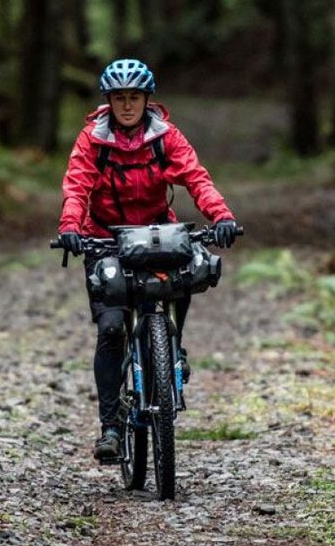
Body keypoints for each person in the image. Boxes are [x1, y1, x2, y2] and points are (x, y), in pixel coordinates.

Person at [58, 57, 239, 463]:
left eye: (134, 98)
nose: (127, 106)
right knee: (110, 329)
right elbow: (76, 185)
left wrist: (221, 216)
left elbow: (196, 178)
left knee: (186, 269)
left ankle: (174, 346)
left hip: (158, 233)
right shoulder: (92, 139)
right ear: (108, 101)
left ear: (146, 100)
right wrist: (71, 225)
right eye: (119, 98)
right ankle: (109, 426)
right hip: (106, 239)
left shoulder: (165, 136)